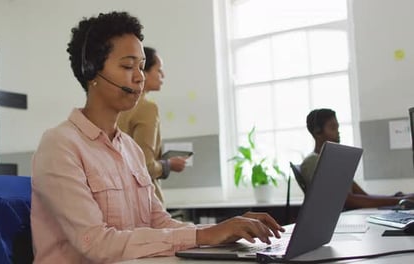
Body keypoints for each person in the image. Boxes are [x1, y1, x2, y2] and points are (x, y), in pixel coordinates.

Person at [30, 11, 284, 263]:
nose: (139, 77)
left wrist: (221, 232)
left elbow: (157, 221)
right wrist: (204, 234)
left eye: (141, 66)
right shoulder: (59, 145)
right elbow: (97, 244)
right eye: (128, 66)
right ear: (91, 70)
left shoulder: (130, 148)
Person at [301, 108, 414, 209]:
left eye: (337, 127)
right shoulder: (313, 161)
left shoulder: (332, 162)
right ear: (317, 132)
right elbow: (347, 200)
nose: (338, 132)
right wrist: (398, 200)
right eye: (333, 128)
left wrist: (398, 197)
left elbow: (363, 196)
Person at [117, 46, 187, 203]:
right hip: (146, 201)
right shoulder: (147, 108)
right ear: (143, 72)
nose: (163, 75)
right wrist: (168, 164)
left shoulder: (117, 109)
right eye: (159, 70)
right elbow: (145, 167)